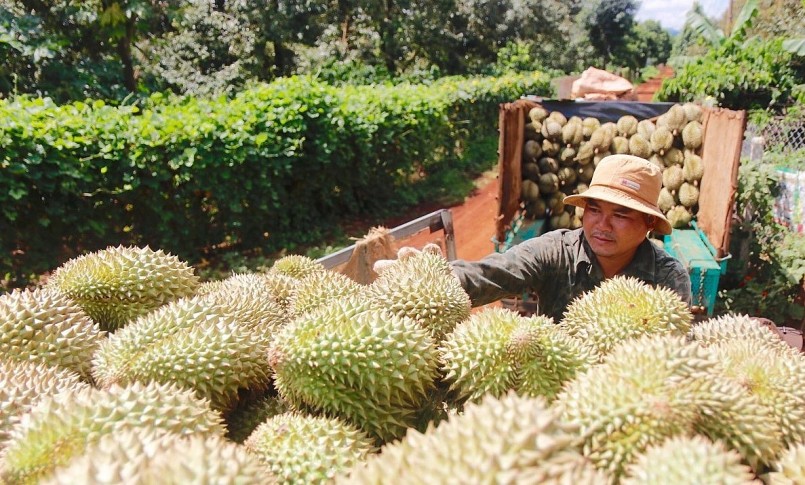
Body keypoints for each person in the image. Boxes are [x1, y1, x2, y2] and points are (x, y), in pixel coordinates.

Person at [449, 153, 692, 322]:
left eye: (620, 215)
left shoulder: (666, 279)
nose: (602, 225)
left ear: (649, 223)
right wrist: (436, 276)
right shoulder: (556, 251)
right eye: (594, 210)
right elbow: (494, 272)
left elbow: (671, 353)